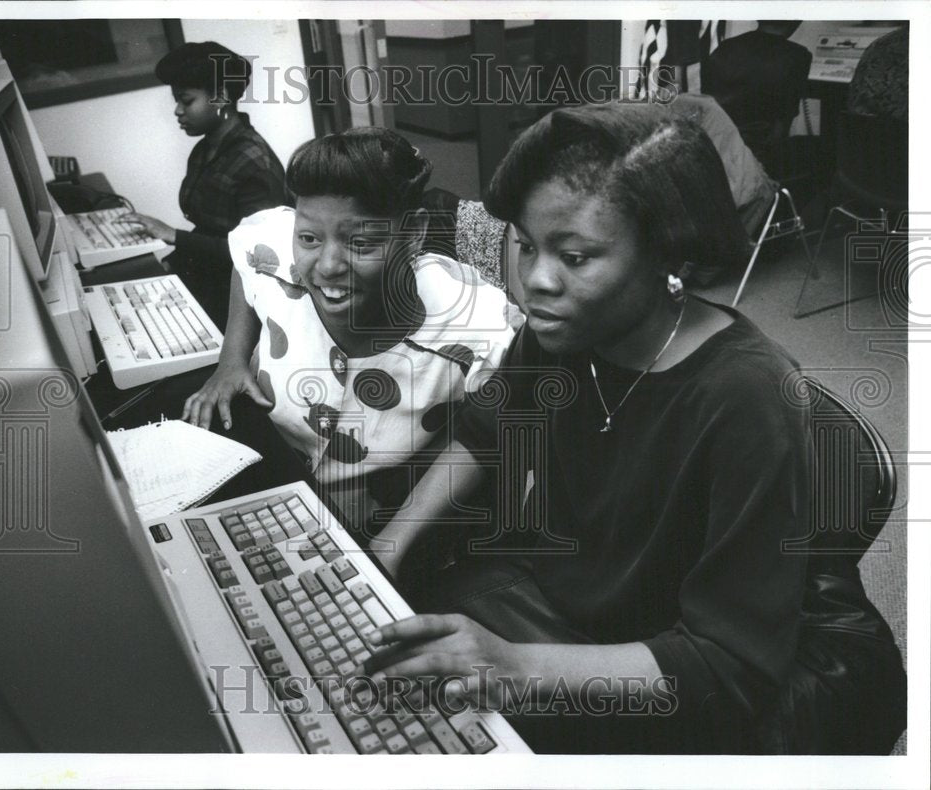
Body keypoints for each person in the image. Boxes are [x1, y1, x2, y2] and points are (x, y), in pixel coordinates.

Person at [361, 104, 905, 754]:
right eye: (528, 246)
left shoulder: (746, 396)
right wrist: (385, 551)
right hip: (604, 599)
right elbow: (489, 430)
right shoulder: (565, 329)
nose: (535, 280)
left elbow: (727, 661)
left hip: (720, 656)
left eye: (575, 255)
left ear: (666, 250)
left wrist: (514, 667)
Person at [182, 127, 519, 536]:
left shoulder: (475, 327)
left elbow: (490, 433)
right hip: (267, 463)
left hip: (373, 515)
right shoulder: (275, 243)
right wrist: (231, 360)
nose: (326, 266)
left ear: (413, 233)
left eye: (358, 243)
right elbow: (247, 258)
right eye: (309, 238)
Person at [117, 41, 288, 327]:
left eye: (186, 100)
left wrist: (174, 235)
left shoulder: (254, 163)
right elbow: (209, 228)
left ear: (220, 97)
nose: (177, 111)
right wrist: (174, 259)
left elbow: (258, 256)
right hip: (208, 276)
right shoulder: (205, 149)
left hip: (240, 302)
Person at [700, 21, 812, 171]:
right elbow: (783, 121)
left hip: (715, 145)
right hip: (756, 153)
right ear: (795, 22)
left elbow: (707, 100)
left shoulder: (726, 46)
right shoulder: (797, 55)